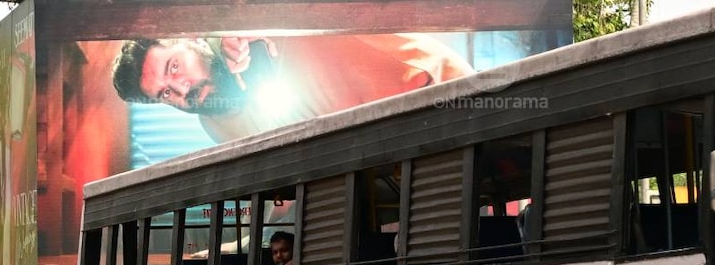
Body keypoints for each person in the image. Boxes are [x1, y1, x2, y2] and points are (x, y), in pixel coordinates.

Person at [112, 34, 476, 143]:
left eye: (174, 66)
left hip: (441, 98)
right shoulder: (215, 123)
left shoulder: (256, 36)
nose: (181, 89)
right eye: (164, 93)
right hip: (385, 166)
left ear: (189, 39)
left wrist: (241, 30)